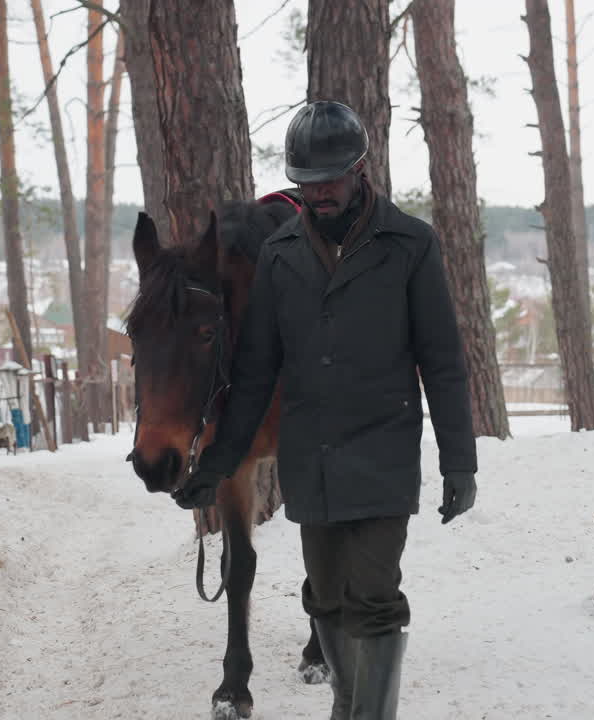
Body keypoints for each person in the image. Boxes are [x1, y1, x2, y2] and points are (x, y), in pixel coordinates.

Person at [173, 100, 478, 719]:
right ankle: (349, 704)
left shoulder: (410, 246)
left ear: (361, 169)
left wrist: (459, 462)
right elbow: (255, 373)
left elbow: (442, 361)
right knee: (328, 599)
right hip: (310, 460)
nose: (318, 194)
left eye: (330, 179)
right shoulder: (281, 256)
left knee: (372, 595)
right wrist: (217, 464)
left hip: (381, 451)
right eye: (306, 183)